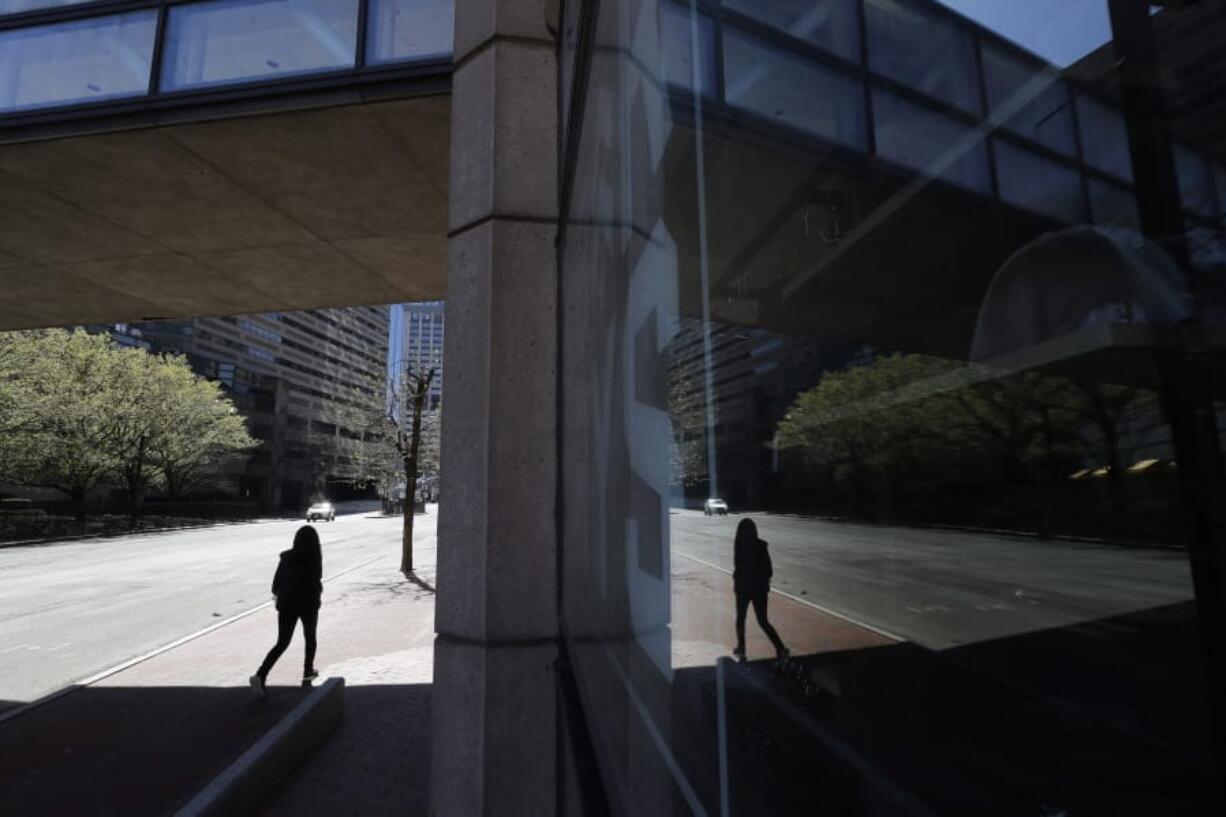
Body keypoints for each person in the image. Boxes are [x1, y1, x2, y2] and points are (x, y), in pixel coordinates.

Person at [250, 525, 323, 698]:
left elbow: (275, 586)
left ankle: (261, 674)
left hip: (287, 605)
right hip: (308, 604)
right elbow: (314, 582)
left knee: (282, 643)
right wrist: (316, 598)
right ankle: (307, 673)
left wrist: (283, 596)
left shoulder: (286, 558)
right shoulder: (314, 558)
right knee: (310, 638)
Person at [732, 518, 788, 660]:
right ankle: (780, 648)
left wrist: (737, 584)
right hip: (759, 590)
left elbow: (738, 568)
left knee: (740, 619)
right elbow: (769, 570)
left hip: (744, 589)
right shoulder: (761, 546)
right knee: (763, 621)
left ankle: (742, 647)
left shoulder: (739, 546)